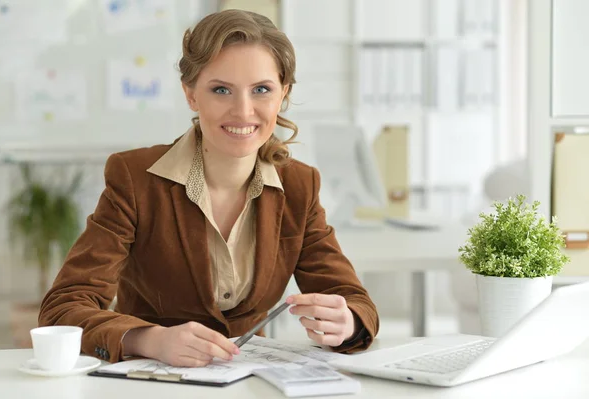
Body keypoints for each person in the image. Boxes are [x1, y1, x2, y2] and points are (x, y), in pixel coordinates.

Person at [38, 9, 379, 368]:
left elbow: (354, 301)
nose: (243, 111)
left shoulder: (299, 185)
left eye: (261, 89)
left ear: (283, 95)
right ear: (191, 95)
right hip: (153, 382)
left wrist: (347, 321)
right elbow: (63, 307)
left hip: (247, 382)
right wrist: (149, 339)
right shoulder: (135, 178)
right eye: (221, 90)